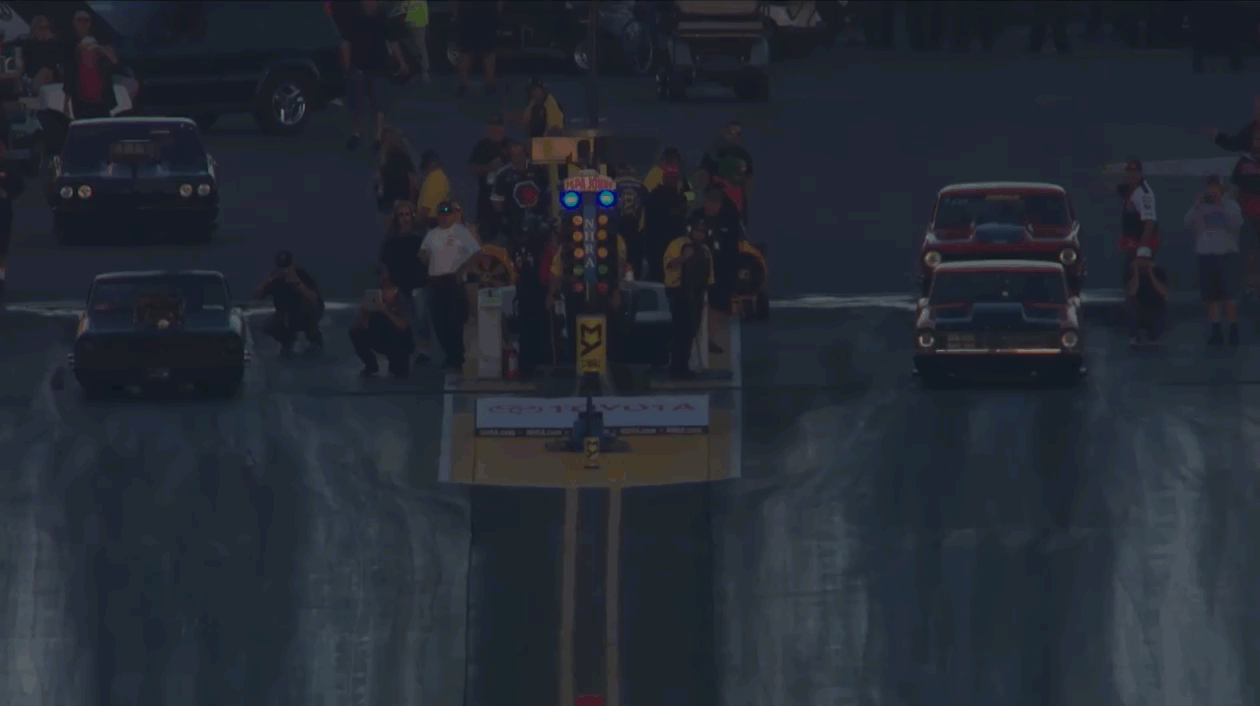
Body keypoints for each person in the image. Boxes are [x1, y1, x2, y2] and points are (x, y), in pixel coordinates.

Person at [420, 201, 481, 371]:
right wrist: (423, 256)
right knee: (439, 322)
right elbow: (423, 253)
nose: (444, 216)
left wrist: (462, 269)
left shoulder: (460, 232)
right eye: (441, 213)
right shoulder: (431, 234)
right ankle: (450, 355)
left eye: (448, 213)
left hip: (453, 280)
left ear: (453, 215)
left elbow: (477, 253)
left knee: (455, 320)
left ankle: (457, 357)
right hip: (436, 282)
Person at [341, 0, 408, 151]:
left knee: (379, 104)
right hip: (358, 67)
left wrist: (402, 62)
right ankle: (356, 133)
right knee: (356, 103)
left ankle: (378, 137)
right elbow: (346, 42)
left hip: (379, 67)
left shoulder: (382, 16)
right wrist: (346, 66)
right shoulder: (354, 15)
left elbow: (392, 41)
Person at [1185, 175, 1243, 345]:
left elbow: (1237, 224)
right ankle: (1216, 330)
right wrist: (1196, 206)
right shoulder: (1200, 205)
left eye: (1215, 186)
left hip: (1226, 254)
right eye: (1210, 186)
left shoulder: (1231, 205)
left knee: (1229, 295)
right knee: (1211, 296)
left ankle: (1233, 329)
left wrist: (1221, 207)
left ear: (1221, 188)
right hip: (1206, 253)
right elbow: (1186, 221)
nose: (1212, 190)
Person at [691, 185, 743, 354]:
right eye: (709, 201)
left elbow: (737, 245)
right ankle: (694, 338)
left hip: (722, 269)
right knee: (695, 304)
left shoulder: (730, 218)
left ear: (721, 203)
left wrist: (734, 270)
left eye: (715, 202)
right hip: (697, 269)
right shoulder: (695, 217)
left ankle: (711, 339)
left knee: (718, 306)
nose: (711, 206)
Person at [662, 217, 715, 379]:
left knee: (691, 331)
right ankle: (675, 368)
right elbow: (669, 265)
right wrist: (684, 258)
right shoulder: (678, 244)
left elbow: (709, 277)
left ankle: (683, 366)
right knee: (679, 332)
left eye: (703, 232)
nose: (699, 234)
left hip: (697, 295)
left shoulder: (705, 250)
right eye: (697, 231)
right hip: (678, 293)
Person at [379, 200, 432, 358]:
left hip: (418, 285)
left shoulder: (421, 238)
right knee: (404, 318)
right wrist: (387, 286)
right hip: (399, 286)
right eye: (401, 215)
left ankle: (424, 349)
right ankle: (407, 348)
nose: (405, 218)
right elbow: (385, 265)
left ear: (412, 216)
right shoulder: (390, 241)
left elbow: (427, 262)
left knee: (421, 318)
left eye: (407, 214)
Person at [253, 250, 325, 358]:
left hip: (306, 312)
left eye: (287, 268)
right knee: (269, 326)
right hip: (287, 315)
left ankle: (315, 341)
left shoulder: (300, 274)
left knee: (307, 314)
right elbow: (257, 296)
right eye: (282, 268)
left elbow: (314, 298)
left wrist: (297, 283)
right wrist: (266, 283)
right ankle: (287, 342)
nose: (284, 271)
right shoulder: (276, 280)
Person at [506, 212, 554, 376]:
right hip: (535, 290)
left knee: (527, 328)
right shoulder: (540, 246)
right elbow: (547, 269)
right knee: (535, 328)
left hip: (526, 290)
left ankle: (528, 364)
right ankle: (534, 363)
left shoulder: (515, 246)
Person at [349, 266, 415, 377]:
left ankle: (398, 363)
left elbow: (404, 327)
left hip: (399, 342)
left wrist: (386, 311)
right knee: (355, 333)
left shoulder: (403, 297)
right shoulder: (375, 296)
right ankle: (371, 365)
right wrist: (363, 311)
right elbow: (356, 327)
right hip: (379, 337)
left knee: (399, 372)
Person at [491, 139, 551, 240]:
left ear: (525, 153)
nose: (518, 159)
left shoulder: (538, 169)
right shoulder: (503, 174)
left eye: (520, 155)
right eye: (514, 155)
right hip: (514, 226)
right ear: (509, 156)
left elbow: (550, 193)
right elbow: (497, 203)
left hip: (540, 222)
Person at [698, 121, 754, 223]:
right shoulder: (713, 152)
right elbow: (703, 175)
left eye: (737, 133)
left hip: (736, 202)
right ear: (725, 132)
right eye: (731, 132)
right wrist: (704, 196)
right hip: (715, 200)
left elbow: (748, 181)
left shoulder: (744, 156)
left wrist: (745, 204)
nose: (734, 135)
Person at [643, 164, 691, 283]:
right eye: (672, 178)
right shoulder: (669, 197)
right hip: (658, 243)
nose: (674, 181)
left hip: (665, 244)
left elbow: (689, 205)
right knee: (660, 275)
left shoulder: (658, 194)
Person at [1114, 160, 1159, 285]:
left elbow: (1150, 223)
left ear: (1140, 173)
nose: (1132, 175)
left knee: (1139, 280)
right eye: (1130, 172)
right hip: (1131, 244)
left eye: (1135, 172)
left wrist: (1141, 250)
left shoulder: (1144, 194)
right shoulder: (1130, 189)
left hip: (1141, 245)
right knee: (1127, 277)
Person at [468, 114, 509, 239]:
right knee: (486, 235)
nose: (497, 130)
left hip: (507, 199)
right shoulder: (481, 147)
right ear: (488, 129)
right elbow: (471, 169)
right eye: (493, 127)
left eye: (499, 126)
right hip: (486, 200)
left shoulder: (510, 145)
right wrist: (489, 167)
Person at [62, 31, 118, 120]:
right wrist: (65, 105)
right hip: (82, 106)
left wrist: (102, 50)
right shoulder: (73, 65)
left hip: (101, 105)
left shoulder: (103, 63)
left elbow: (114, 62)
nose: (90, 49)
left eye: (92, 46)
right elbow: (68, 85)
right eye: (86, 47)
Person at [1230, 132, 1260, 296]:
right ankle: (1251, 287)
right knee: (1249, 253)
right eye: (1256, 138)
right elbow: (1234, 189)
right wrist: (1235, 213)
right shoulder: (1243, 162)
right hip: (1247, 216)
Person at [454, 0, 504, 97]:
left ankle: (464, 85)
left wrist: (456, 12)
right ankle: (487, 84)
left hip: (472, 11)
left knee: (470, 50)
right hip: (482, 11)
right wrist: (498, 9)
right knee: (482, 50)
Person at [1125, 246, 1169, 346]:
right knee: (1131, 308)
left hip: (1155, 305)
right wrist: (1136, 272)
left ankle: (1154, 335)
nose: (1143, 262)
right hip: (1137, 305)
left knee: (1159, 312)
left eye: (1145, 260)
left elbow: (1163, 292)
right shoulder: (1130, 272)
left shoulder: (1159, 272)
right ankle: (1134, 336)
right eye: (1140, 260)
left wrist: (1150, 272)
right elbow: (1131, 292)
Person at [0, 138, 26, 298]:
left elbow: (19, 185)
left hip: (3, 212)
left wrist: (7, 193)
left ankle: (1, 279)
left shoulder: (7, 166)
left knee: (2, 249)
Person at [615, 163, 649, 278]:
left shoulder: (613, 184)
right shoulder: (641, 186)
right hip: (636, 229)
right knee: (635, 261)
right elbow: (647, 208)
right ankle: (635, 281)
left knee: (617, 257)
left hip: (618, 229)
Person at [375, 125, 419, 214]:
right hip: (389, 207)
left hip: (402, 204)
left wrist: (410, 202)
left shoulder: (401, 157)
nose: (384, 142)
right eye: (383, 139)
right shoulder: (385, 163)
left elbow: (413, 180)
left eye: (386, 139)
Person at [17, 16, 63, 91]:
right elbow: (38, 62)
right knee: (46, 71)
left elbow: (56, 60)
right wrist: (47, 43)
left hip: (53, 79)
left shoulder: (54, 44)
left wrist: (50, 42)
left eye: (47, 27)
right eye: (41, 28)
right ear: (34, 29)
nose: (44, 31)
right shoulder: (28, 44)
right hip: (34, 79)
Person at [417, 149, 451, 227]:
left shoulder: (432, 178)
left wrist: (416, 224)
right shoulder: (443, 178)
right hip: (441, 221)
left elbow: (426, 209)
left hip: (431, 223)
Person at [399, 0, 431, 83]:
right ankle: (423, 70)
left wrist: (401, 7)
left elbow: (404, 4)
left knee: (417, 46)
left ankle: (423, 70)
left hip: (413, 20)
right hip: (421, 20)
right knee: (420, 45)